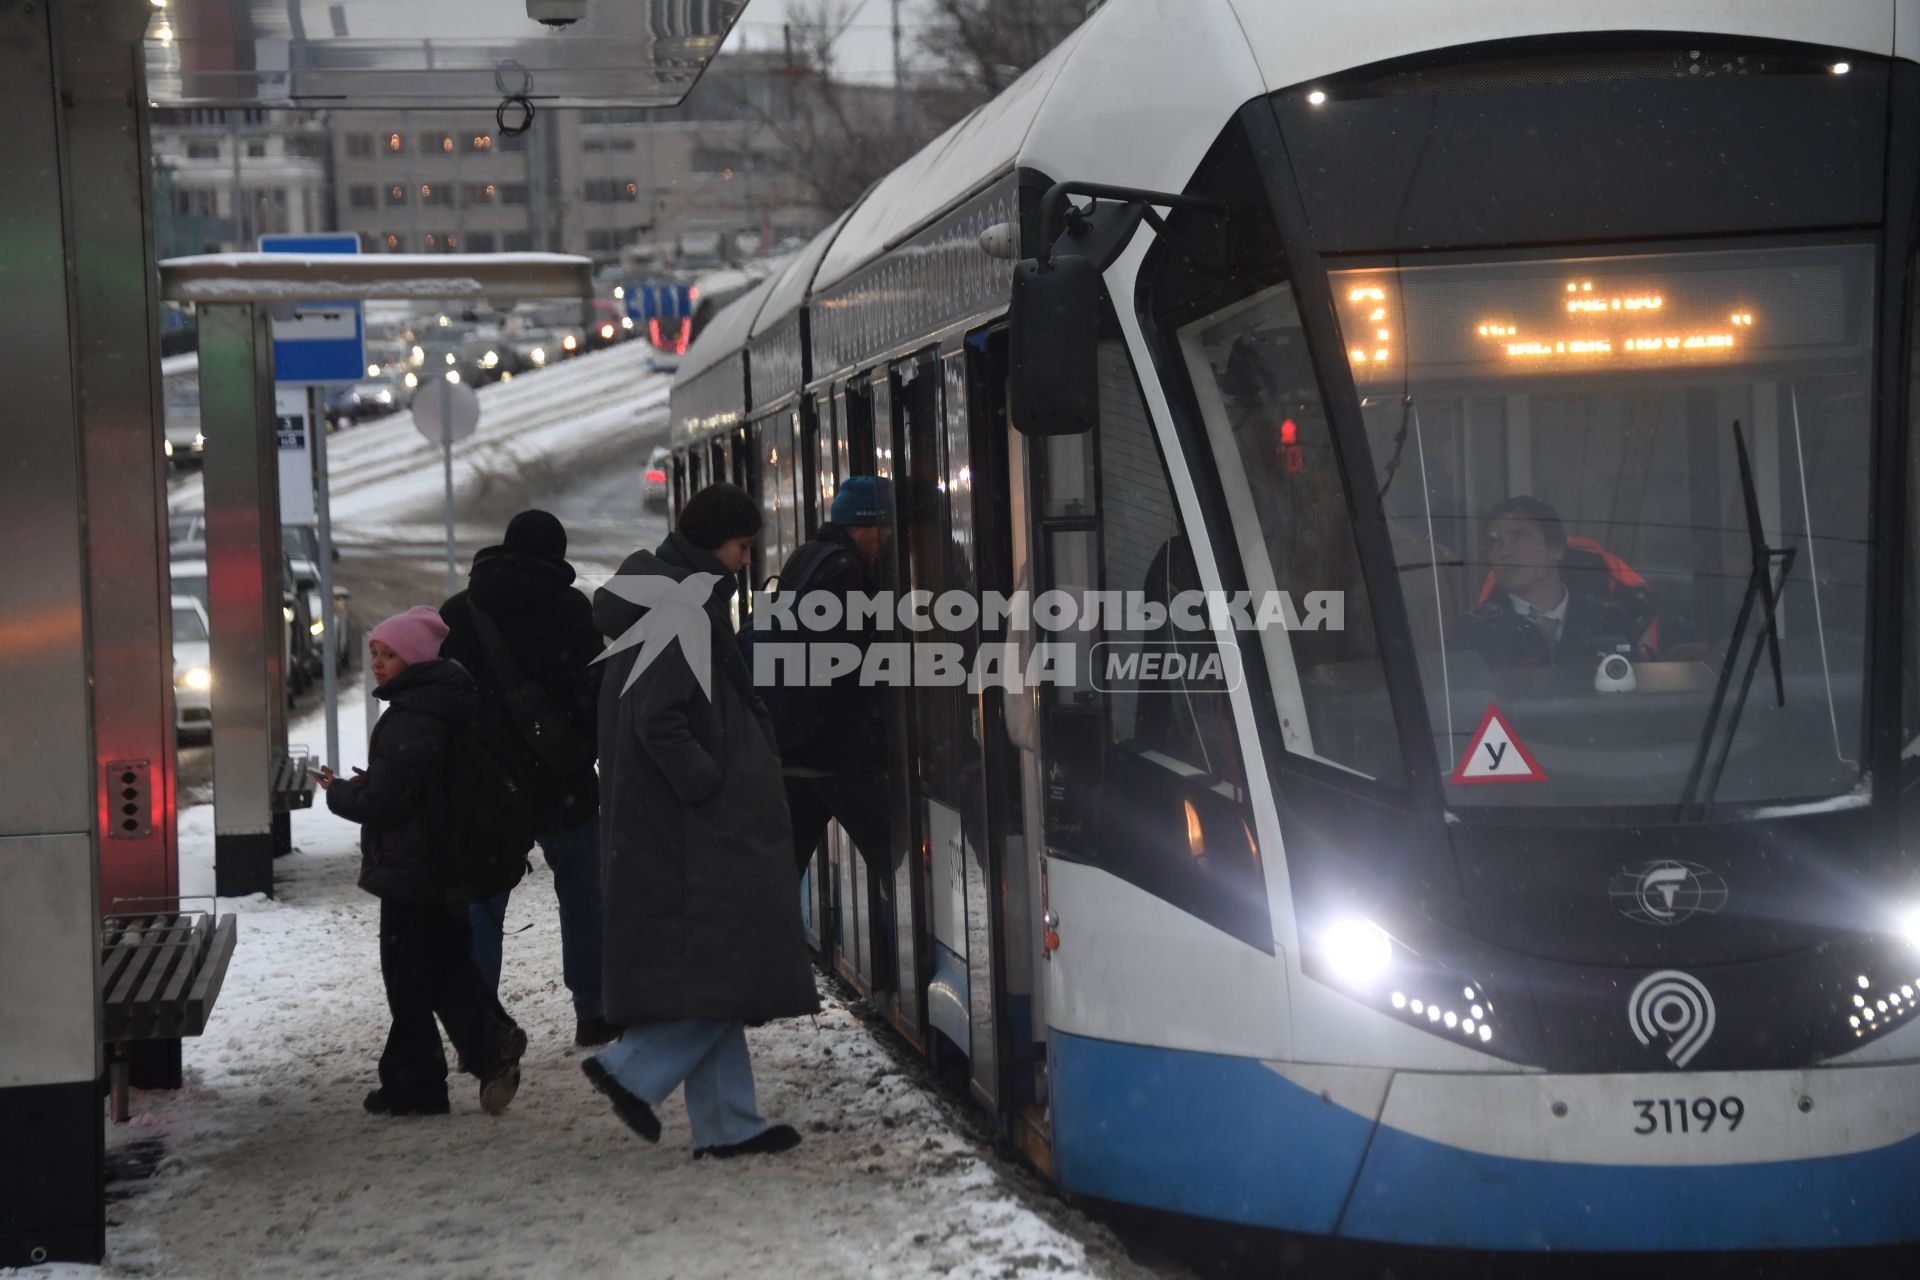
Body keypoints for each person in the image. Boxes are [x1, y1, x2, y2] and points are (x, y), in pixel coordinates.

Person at [585, 483, 816, 1157]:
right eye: (743, 547)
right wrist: (710, 786)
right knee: (729, 967)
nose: (747, 561)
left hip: (681, 824)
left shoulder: (667, 594)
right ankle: (631, 1068)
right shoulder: (684, 606)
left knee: (718, 969)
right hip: (697, 828)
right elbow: (660, 716)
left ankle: (727, 1124)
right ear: (718, 542)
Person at [317, 606, 527, 1117]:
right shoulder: (438, 705)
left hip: (419, 869)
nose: (378, 664)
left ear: (414, 658)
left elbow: (387, 805)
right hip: (441, 863)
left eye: (390, 655)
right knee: (440, 967)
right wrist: (378, 783)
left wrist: (342, 793)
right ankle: (476, 1052)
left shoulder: (414, 716)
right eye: (374, 654)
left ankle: (428, 1077)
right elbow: (418, 786)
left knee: (411, 976)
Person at [439, 509, 612, 1048]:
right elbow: (593, 693)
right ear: (555, 556)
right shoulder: (567, 609)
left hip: (485, 786)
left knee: (483, 904)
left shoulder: (460, 612)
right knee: (583, 893)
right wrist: (586, 747)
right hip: (559, 780)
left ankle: (481, 1021)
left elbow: (445, 697)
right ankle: (592, 1010)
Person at [1454, 496, 1649, 671]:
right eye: (1494, 543)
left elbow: (1636, 703)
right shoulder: (1471, 633)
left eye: (1519, 537)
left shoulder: (1611, 621)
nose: (1504, 551)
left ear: (1556, 549)